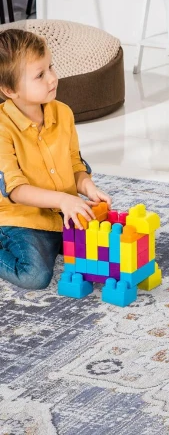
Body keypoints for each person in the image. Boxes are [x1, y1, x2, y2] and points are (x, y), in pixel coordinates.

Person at [0, 29, 111, 290]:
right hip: (21, 220)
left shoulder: (63, 113)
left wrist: (87, 188)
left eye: (50, 67)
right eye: (40, 75)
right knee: (35, 276)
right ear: (9, 89)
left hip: (61, 213)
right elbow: (15, 190)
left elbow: (75, 165)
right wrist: (63, 199)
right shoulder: (3, 128)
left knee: (101, 245)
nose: (52, 78)